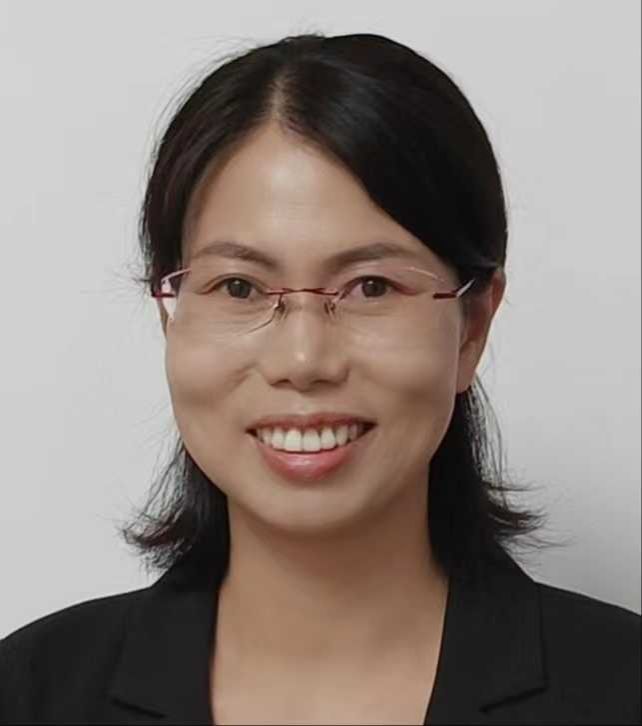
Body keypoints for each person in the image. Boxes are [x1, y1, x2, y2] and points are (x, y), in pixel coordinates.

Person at [0, 32, 639, 726]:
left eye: (371, 286)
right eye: (239, 287)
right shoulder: (31, 694)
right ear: (170, 318)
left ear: (472, 325)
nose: (302, 361)